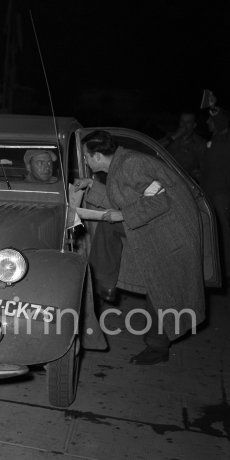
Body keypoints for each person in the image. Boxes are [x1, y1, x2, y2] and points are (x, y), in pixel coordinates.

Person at [74, 130, 204, 365]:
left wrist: (123, 215)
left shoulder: (131, 164)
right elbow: (123, 198)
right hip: (157, 229)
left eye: (85, 156)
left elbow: (159, 199)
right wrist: (92, 185)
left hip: (170, 235)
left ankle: (156, 344)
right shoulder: (121, 164)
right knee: (159, 288)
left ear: (97, 156)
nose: (84, 161)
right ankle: (106, 283)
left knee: (163, 291)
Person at [200, 100, 230, 284]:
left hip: (222, 194)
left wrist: (212, 105)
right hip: (211, 193)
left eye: (210, 120)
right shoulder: (214, 141)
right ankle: (218, 269)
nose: (207, 123)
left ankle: (226, 273)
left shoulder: (226, 140)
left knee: (224, 231)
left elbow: (220, 119)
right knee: (215, 232)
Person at [159, 111, 204, 182]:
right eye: (182, 121)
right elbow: (152, 147)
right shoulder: (170, 136)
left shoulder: (200, 143)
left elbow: (204, 170)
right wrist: (174, 137)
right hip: (162, 178)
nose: (183, 125)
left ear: (194, 125)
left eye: (188, 122)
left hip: (182, 183)